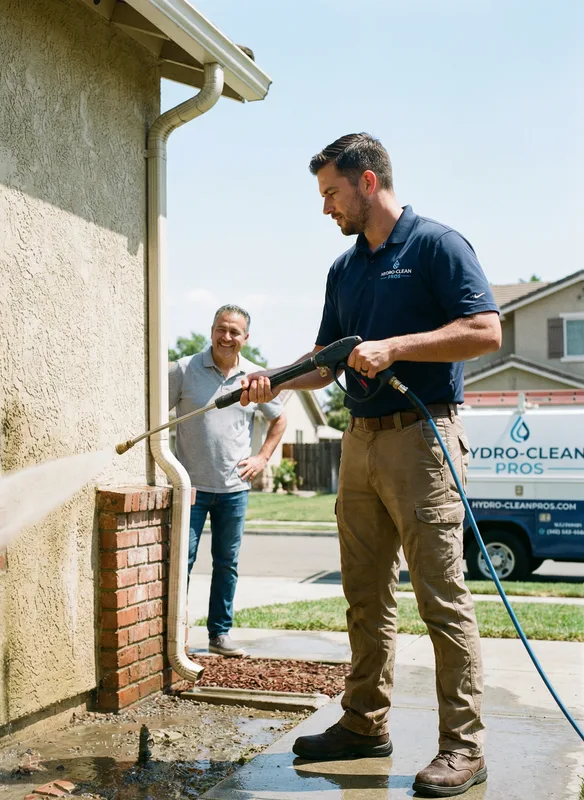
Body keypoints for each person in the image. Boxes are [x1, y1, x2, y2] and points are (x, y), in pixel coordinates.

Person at [241, 134, 501, 798]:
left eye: (330, 192)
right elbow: (328, 357)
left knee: (441, 600)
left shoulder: (439, 246)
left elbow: (486, 330)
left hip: (423, 440)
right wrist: (272, 377)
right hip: (359, 441)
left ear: (365, 181)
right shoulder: (344, 269)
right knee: (364, 595)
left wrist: (398, 348)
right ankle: (363, 724)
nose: (325, 207)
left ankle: (463, 749)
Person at [169, 304, 287, 657]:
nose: (227, 337)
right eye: (222, 329)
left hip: (234, 489)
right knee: (182, 561)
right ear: (211, 330)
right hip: (191, 487)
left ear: (245, 338)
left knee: (226, 563)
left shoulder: (255, 377)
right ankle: (174, 634)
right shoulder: (185, 369)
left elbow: (279, 419)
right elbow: (156, 411)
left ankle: (220, 635)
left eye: (235, 332)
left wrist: (262, 457)